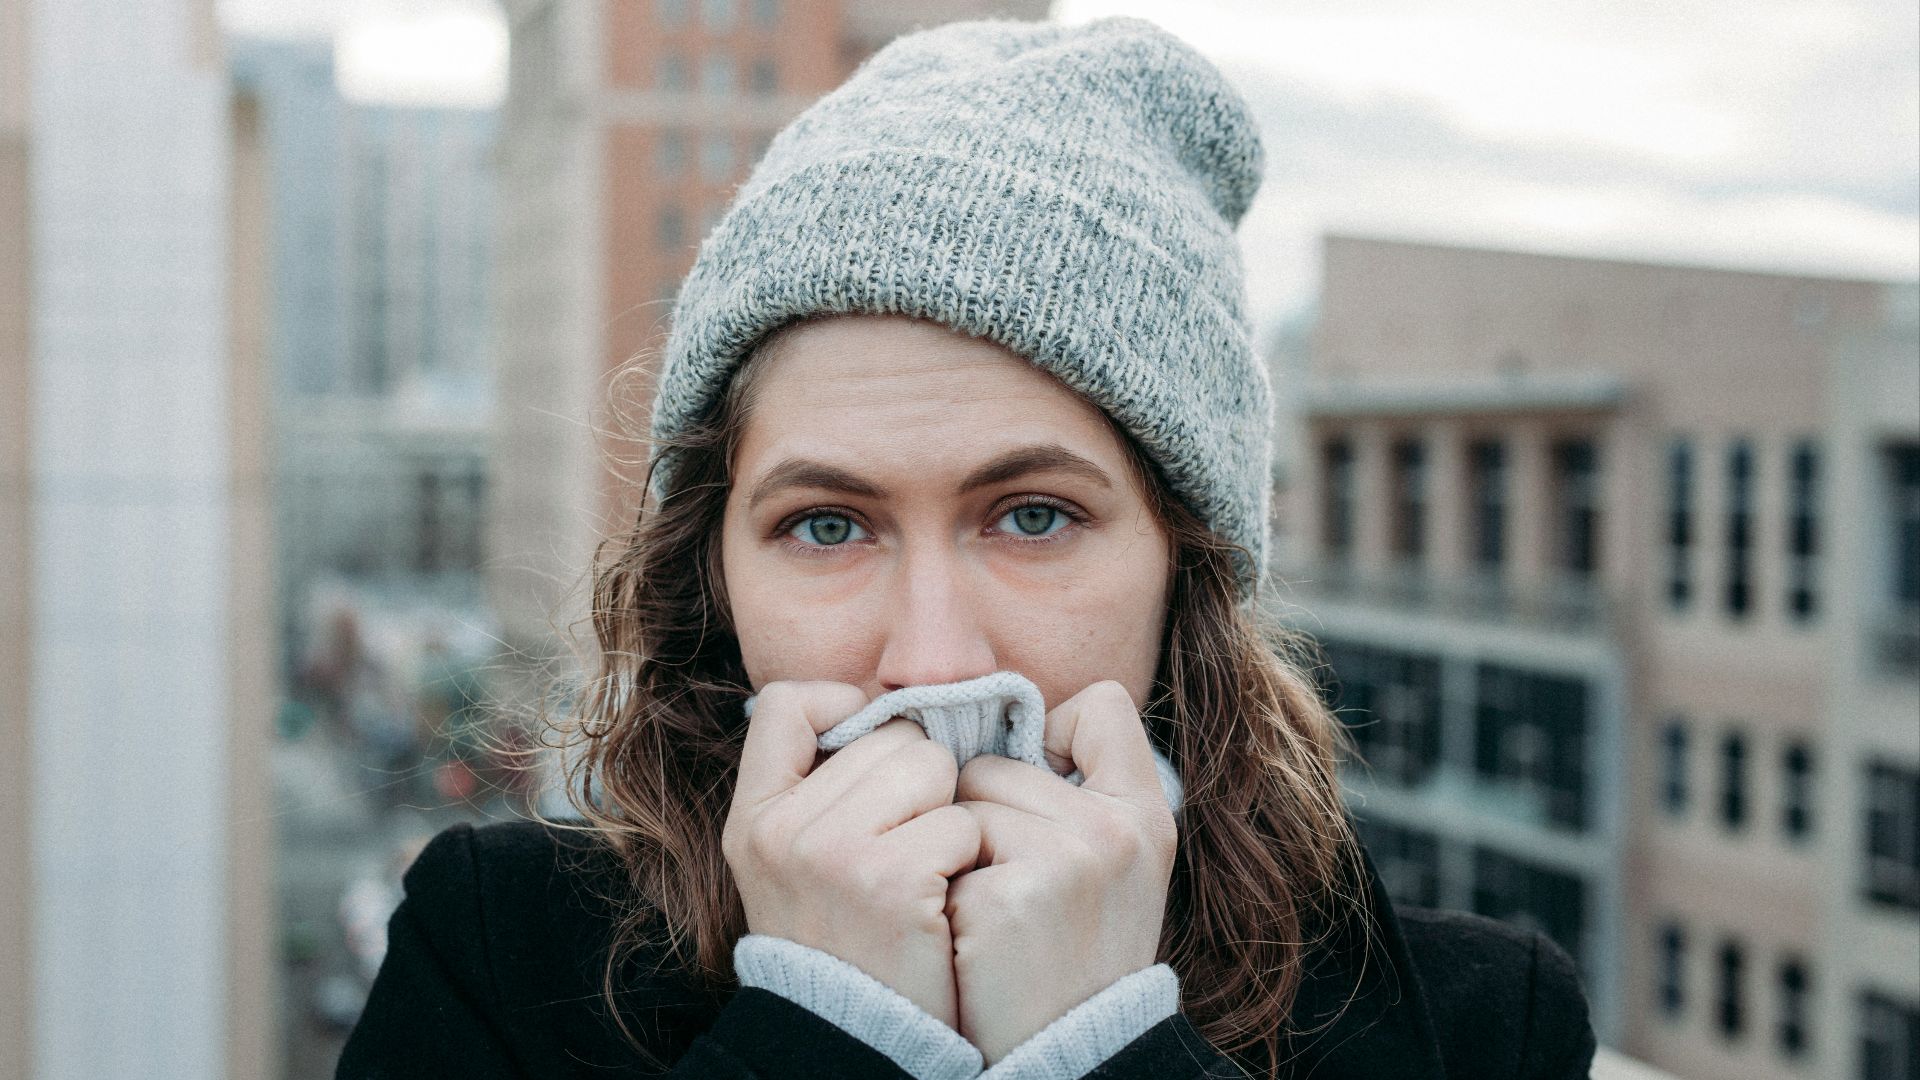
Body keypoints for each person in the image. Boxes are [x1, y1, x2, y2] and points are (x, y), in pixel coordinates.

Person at [337, 17, 1596, 1080]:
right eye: (826, 526)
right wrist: (822, 1029)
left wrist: (1098, 1050)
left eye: (1033, 516)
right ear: (710, 576)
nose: (933, 659)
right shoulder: (498, 956)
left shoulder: (1474, 1027)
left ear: (1187, 565)